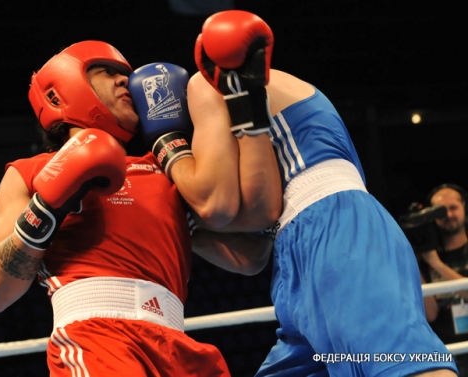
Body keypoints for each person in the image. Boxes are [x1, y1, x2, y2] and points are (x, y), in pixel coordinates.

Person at [161, 10, 457, 377]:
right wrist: (181, 222)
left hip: (334, 228)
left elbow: (224, 207)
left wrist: (166, 153)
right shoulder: (242, 121)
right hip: (299, 253)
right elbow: (252, 256)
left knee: (404, 366)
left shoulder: (208, 85)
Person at [0, 40, 266, 376]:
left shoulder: (167, 171)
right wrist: (48, 206)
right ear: (58, 95)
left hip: (178, 346)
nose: (126, 80)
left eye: (125, 74)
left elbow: (251, 256)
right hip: (97, 340)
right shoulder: (31, 171)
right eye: (107, 72)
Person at [420, 183, 468, 375]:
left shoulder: (433, 260)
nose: (447, 215)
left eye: (453, 207)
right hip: (445, 350)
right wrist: (417, 264)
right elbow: (430, 314)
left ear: (465, 207)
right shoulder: (425, 258)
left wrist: (437, 265)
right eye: (440, 211)